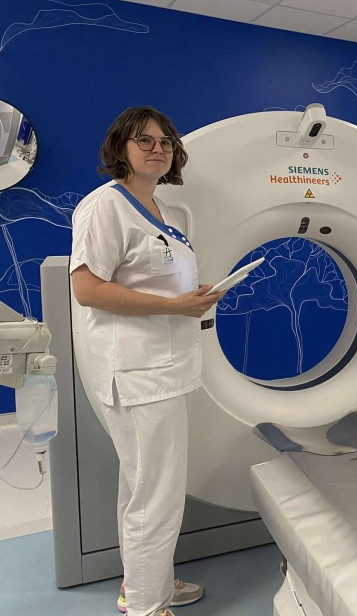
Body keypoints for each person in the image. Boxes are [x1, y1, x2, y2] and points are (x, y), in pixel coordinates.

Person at [71, 107, 225, 616]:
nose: (158, 148)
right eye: (144, 140)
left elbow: (159, 283)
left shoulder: (167, 211)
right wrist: (174, 306)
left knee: (146, 486)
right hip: (137, 372)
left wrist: (194, 295)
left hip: (167, 367)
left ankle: (145, 582)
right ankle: (145, 604)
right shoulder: (104, 207)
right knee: (155, 494)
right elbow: (88, 289)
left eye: (165, 141)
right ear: (121, 147)